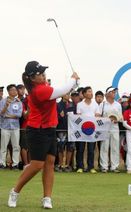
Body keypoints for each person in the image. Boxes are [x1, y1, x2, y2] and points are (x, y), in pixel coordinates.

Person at [8, 61, 79, 209]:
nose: (43, 75)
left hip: (49, 129)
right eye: (40, 73)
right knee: (37, 165)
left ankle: (47, 198)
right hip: (37, 131)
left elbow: (63, 92)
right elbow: (62, 90)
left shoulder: (43, 86)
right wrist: (73, 80)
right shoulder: (39, 90)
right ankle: (15, 191)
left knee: (50, 164)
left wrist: (74, 84)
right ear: (32, 78)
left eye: (43, 72)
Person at [76, 86, 101, 174]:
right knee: (81, 149)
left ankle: (91, 167)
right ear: (84, 94)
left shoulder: (95, 104)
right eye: (89, 91)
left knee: (91, 149)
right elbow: (78, 116)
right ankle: (80, 166)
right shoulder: (80, 104)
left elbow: (98, 115)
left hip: (92, 129)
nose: (91, 93)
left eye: (91, 91)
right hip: (82, 129)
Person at [100, 86, 123, 173]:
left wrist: (117, 120)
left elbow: (120, 117)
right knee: (104, 147)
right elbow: (98, 116)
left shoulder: (118, 105)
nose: (114, 93)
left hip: (115, 127)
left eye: (115, 92)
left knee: (115, 147)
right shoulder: (102, 104)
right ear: (108, 94)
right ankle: (104, 166)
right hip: (105, 127)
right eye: (112, 92)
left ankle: (114, 166)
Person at [0, 84, 23, 169]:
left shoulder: (18, 102)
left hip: (15, 127)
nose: (15, 91)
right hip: (5, 127)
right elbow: (2, 114)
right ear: (9, 91)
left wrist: (8, 115)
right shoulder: (3, 101)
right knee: (3, 146)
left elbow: (19, 115)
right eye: (13, 90)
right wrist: (6, 106)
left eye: (15, 90)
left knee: (16, 146)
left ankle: (15, 164)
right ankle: (2, 163)